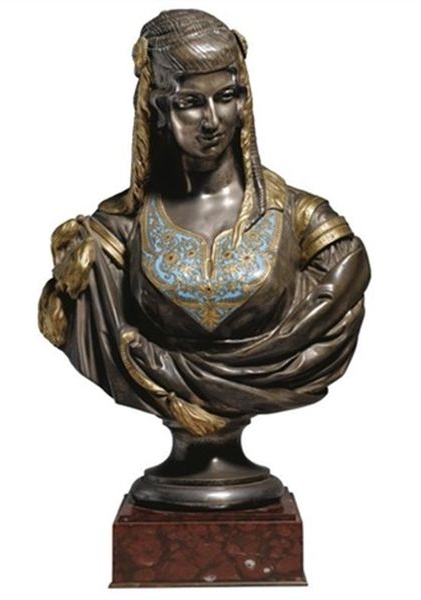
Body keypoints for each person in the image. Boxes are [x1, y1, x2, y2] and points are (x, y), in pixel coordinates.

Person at [38, 9, 370, 439]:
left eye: (226, 96)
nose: (213, 120)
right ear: (156, 106)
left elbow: (339, 294)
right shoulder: (112, 239)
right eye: (190, 103)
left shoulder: (304, 223)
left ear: (244, 100)